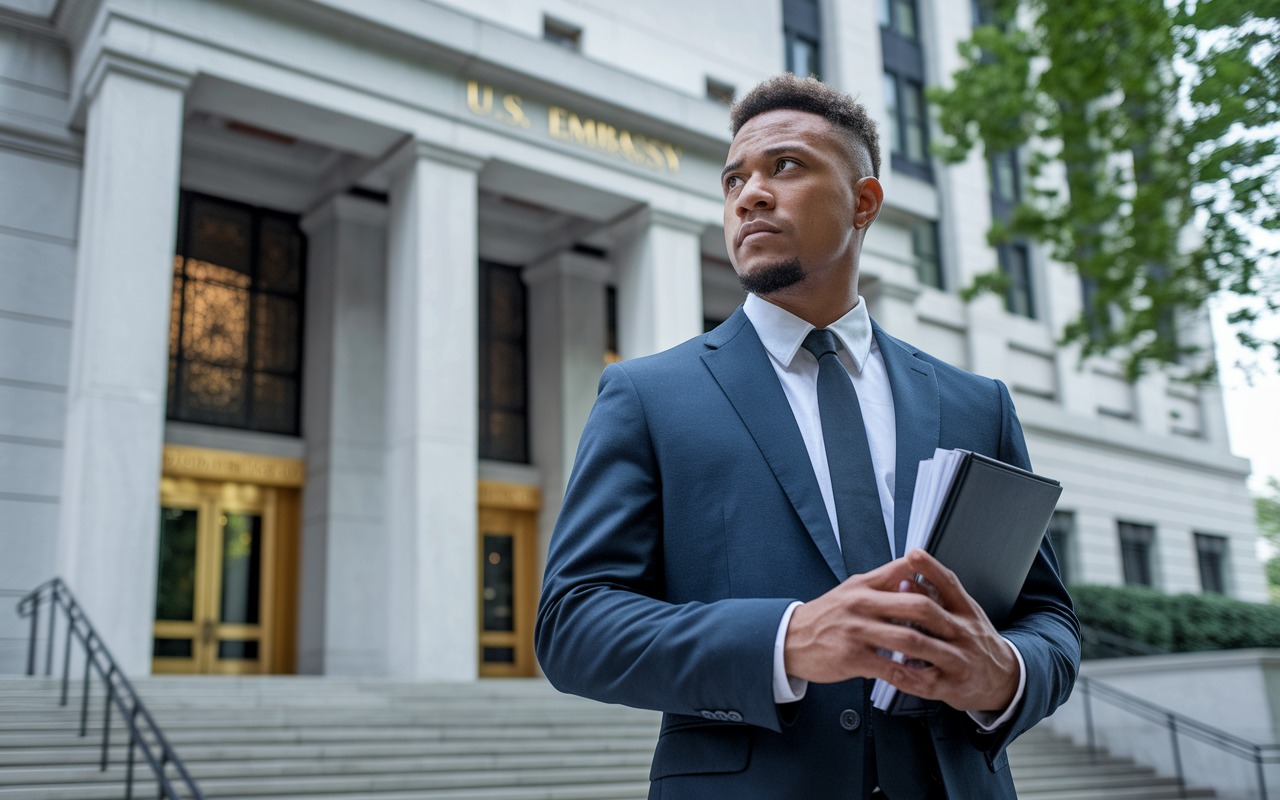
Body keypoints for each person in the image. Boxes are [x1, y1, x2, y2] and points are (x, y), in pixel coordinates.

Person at [535, 74, 1079, 799]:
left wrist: (1005, 674)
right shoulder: (647, 396)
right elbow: (574, 624)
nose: (750, 194)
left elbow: (1049, 619)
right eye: (734, 178)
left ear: (864, 201)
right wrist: (786, 641)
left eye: (784, 166)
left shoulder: (978, 403)